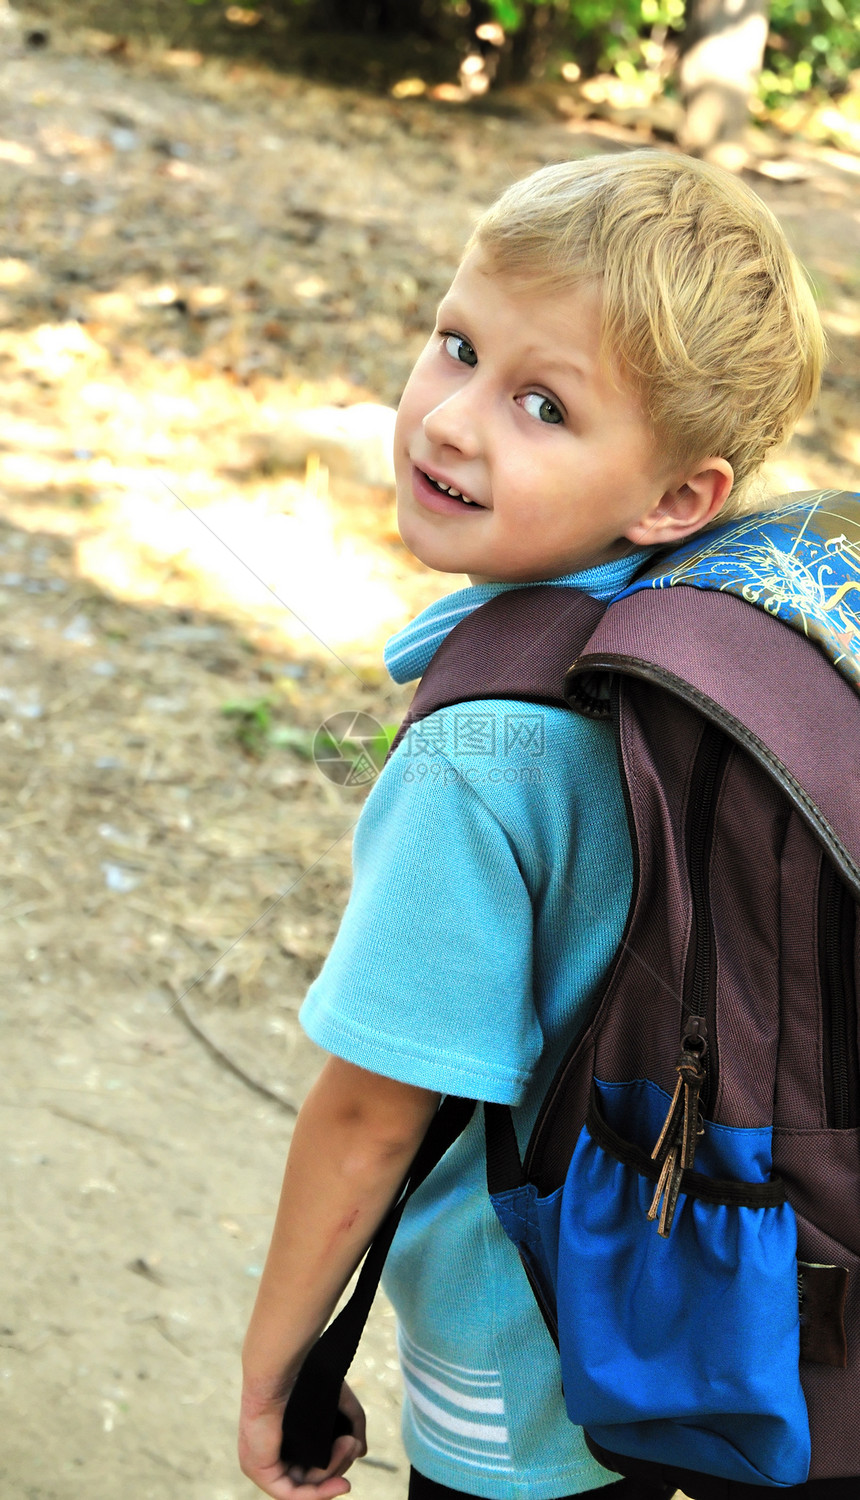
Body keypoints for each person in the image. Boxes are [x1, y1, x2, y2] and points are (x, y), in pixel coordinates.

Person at [238, 150, 824, 1500]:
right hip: (717, 1316)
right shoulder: (723, 634)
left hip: (527, 1360)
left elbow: (375, 1113)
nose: (451, 420)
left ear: (678, 495)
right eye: (456, 347)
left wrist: (281, 1356)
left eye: (544, 405)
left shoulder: (484, 754)